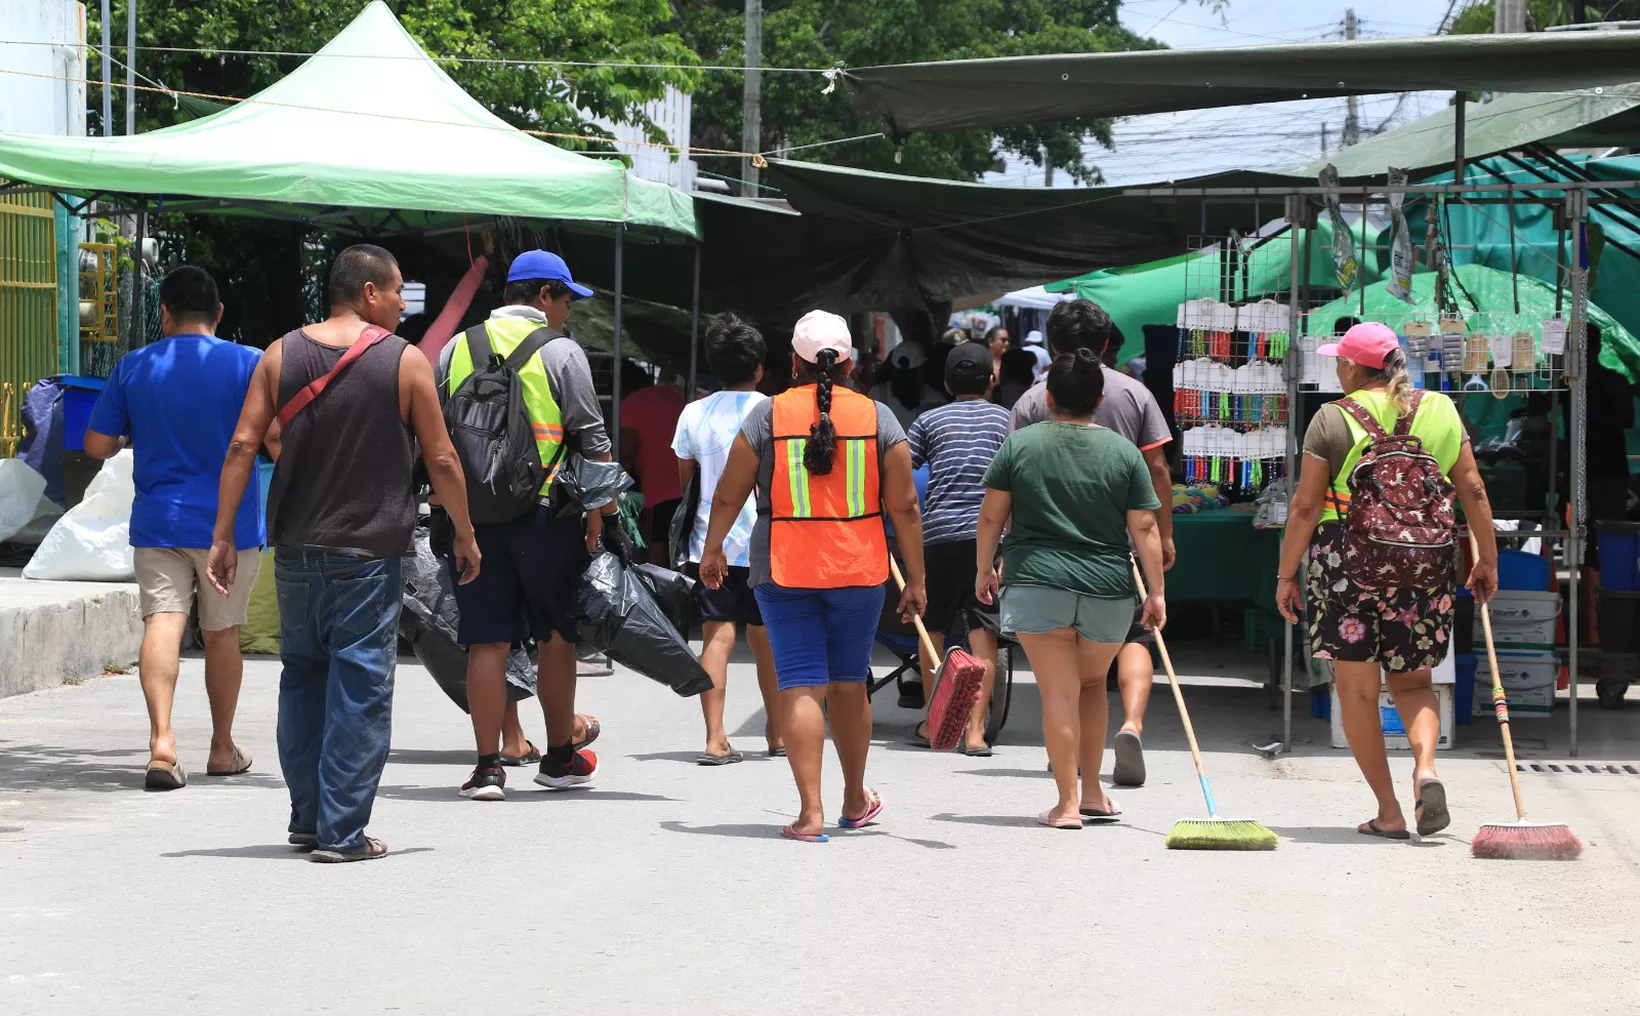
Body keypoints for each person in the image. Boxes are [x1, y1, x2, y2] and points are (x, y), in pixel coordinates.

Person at [207, 244, 480, 862]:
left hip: (297, 549)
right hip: (369, 552)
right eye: (397, 293)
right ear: (367, 293)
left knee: (302, 678)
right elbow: (440, 458)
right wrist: (464, 533)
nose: (403, 307)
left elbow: (243, 445)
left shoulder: (281, 353)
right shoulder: (406, 363)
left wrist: (224, 534)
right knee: (360, 684)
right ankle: (341, 831)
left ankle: (308, 817)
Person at [701, 310, 926, 842]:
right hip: (859, 568)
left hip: (783, 568)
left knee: (800, 682)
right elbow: (907, 506)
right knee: (849, 684)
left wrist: (713, 549)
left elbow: (730, 493)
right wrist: (914, 578)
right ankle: (853, 800)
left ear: (793, 363)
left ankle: (810, 814)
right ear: (849, 362)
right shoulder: (879, 418)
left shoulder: (767, 417)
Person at [1276, 321, 1498, 840]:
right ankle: (1426, 771)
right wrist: (1485, 558)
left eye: (1339, 361)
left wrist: (1287, 573)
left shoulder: (1331, 418)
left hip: (1347, 567)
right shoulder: (1441, 409)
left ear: (1352, 367)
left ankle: (1389, 812)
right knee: (1415, 682)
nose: (1335, 368)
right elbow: (1475, 489)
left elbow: (1306, 506)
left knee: (1356, 692)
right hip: (1424, 567)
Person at [435, 249, 615, 802]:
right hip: (545, 516)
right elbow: (592, 440)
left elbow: (437, 434)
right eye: (566, 300)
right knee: (555, 637)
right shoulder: (562, 353)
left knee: (485, 642)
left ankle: (488, 768)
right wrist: (601, 515)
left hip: (473, 519)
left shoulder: (453, 349)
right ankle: (559, 758)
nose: (569, 312)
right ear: (543, 296)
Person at [83, 266, 263, 791]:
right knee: (222, 632)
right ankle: (222, 747)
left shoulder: (135, 365)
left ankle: (162, 743)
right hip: (229, 528)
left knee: (162, 621)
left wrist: (128, 439)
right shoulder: (249, 364)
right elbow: (274, 440)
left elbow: (96, 445)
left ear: (164, 312)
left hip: (159, 523)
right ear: (219, 313)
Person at [977, 350, 1167, 829]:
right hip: (1107, 586)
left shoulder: (1020, 445)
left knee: (1058, 693)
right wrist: (1156, 591)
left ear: (1048, 396)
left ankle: (1066, 805)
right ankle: (1094, 792)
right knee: (1090, 688)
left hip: (1037, 579)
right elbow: (1144, 526)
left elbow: (991, 514)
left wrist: (984, 568)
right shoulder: (1124, 452)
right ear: (1100, 400)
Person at [1011, 299, 1173, 787]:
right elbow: (1158, 469)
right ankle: (1131, 724)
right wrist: (1163, 535)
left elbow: (1008, 485)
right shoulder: (1135, 394)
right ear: (1106, 346)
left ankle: (1068, 762)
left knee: (1064, 678)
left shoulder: (1030, 402)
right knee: (1135, 638)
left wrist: (1001, 552)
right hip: (1116, 551)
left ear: (1053, 344)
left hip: (1042, 557)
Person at [672, 313, 780, 764]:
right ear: (759, 369)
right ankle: (778, 733)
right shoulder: (775, 410)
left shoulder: (694, 412)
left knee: (716, 636)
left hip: (709, 544)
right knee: (769, 637)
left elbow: (687, 483)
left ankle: (715, 738)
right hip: (770, 543)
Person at [905, 341, 1011, 755]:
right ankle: (975, 733)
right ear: (992, 380)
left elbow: (901, 470)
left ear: (947, 384)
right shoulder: (1007, 420)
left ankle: (936, 725)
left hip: (938, 536)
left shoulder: (928, 421)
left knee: (931, 626)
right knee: (984, 630)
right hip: (990, 539)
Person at [622, 368, 687, 565]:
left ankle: (660, 592)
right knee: (681, 544)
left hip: (656, 485)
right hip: (687, 481)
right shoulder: (676, 397)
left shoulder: (630, 404)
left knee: (657, 544)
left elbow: (626, 453)